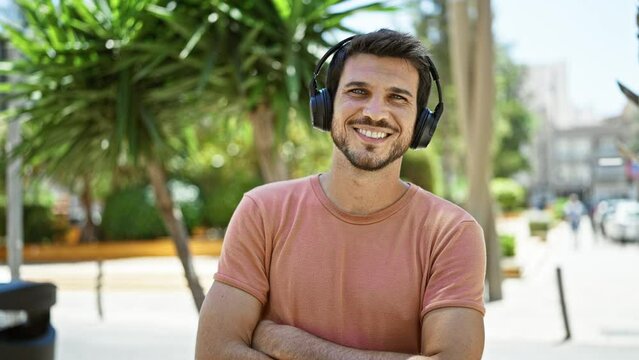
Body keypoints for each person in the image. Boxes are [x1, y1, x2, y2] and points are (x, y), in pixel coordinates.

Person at [195, 29, 486, 359]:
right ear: (326, 106)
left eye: (398, 98)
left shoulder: (452, 233)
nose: (375, 112)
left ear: (421, 123)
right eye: (358, 91)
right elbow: (214, 352)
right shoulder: (262, 212)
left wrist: (289, 345)